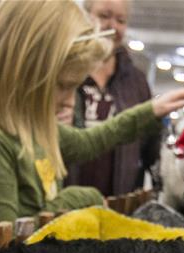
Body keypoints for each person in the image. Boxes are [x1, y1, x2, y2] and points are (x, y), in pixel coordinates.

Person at [0, 0, 184, 229]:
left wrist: (150, 111)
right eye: (62, 86)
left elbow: (89, 141)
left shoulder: (31, 125)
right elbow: (7, 247)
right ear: (25, 70)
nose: (68, 101)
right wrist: (78, 199)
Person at [65, 0, 158, 196]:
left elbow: (151, 146)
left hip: (118, 202)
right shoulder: (65, 70)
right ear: (85, 16)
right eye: (104, 16)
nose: (112, 26)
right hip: (65, 199)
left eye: (121, 20)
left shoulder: (137, 81)